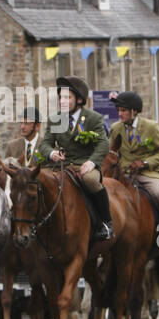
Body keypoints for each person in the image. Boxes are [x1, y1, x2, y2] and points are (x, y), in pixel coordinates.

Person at [109, 90, 159, 260]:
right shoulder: (115, 128)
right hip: (124, 174)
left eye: (123, 110)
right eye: (119, 110)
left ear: (134, 111)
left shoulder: (151, 127)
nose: (120, 114)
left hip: (147, 173)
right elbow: (112, 151)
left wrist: (144, 163)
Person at [37, 75, 112, 241]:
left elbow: (103, 144)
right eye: (60, 97)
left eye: (67, 97)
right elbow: (45, 144)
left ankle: (106, 223)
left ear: (79, 99)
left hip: (84, 166)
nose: (62, 101)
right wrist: (52, 153)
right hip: (60, 167)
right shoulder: (55, 119)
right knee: (37, 181)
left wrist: (91, 162)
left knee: (91, 181)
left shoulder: (93, 118)